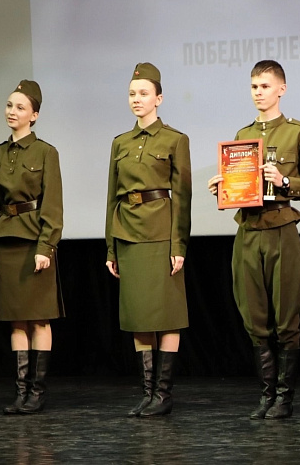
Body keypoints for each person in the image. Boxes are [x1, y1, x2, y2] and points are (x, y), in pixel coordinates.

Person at [208, 60, 300, 420]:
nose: (258, 92)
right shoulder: (243, 134)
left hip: (281, 229)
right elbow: (241, 186)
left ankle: (284, 398)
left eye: (264, 86)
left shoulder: (296, 132)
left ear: (281, 89)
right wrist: (223, 190)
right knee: (254, 317)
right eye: (254, 86)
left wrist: (285, 181)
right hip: (248, 230)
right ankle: (266, 395)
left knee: (286, 317)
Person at [106, 63, 192, 417]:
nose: (136, 99)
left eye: (143, 93)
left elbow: (182, 198)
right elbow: (112, 198)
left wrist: (178, 245)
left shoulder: (175, 139)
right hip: (127, 234)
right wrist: (110, 247)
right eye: (132, 94)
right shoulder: (120, 143)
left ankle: (163, 394)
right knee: (139, 316)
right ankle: (147, 392)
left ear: (159, 98)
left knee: (167, 315)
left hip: (160, 233)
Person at [0, 80, 64, 415]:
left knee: (39, 319)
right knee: (16, 321)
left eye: (20, 107)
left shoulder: (45, 152)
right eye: (9, 105)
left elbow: (52, 204)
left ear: (34, 115)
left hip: (34, 241)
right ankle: (21, 392)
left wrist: (46, 245)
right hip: (5, 241)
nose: (12, 112)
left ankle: (37, 392)